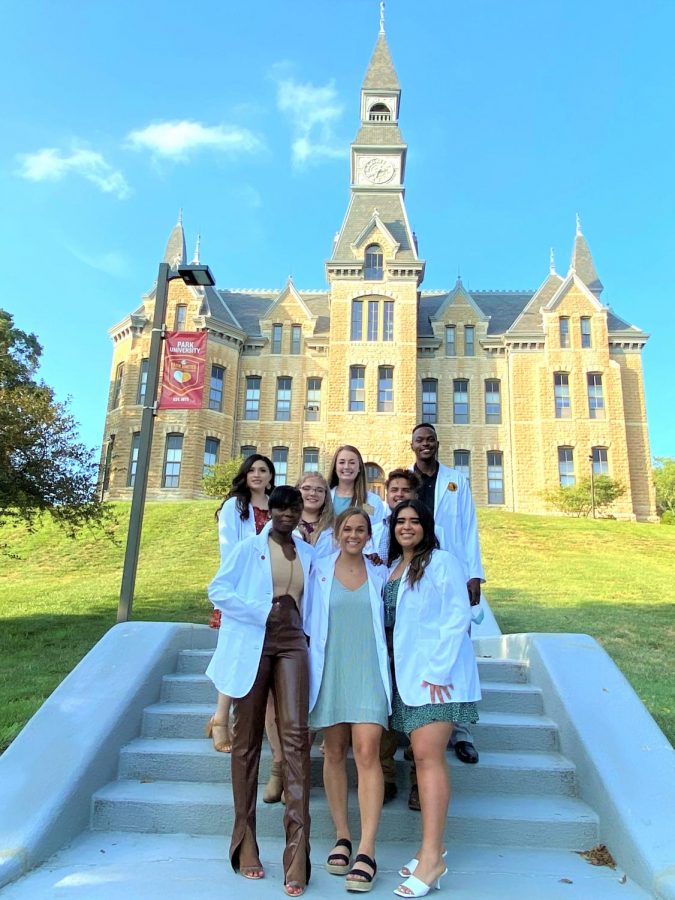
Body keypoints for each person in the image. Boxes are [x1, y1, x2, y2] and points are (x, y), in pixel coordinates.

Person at [206, 486, 315, 897]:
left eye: (294, 508)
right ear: (270, 510)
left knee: (294, 738)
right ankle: (244, 839)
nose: (287, 514)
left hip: (292, 642)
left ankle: (297, 852)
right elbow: (218, 589)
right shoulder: (249, 548)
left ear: (301, 511)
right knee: (248, 739)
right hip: (255, 639)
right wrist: (258, 611)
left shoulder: (307, 552)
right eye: (281, 508)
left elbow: (316, 601)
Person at [385, 499, 480, 898]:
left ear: (427, 526)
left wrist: (438, 670)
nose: (407, 527)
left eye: (414, 521)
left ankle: (432, 859)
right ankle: (433, 848)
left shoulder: (441, 562)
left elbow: (457, 616)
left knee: (426, 758)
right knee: (423, 758)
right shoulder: (392, 568)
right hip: (407, 677)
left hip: (438, 678)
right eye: (400, 521)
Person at [307, 507, 390, 893]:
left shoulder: (381, 574)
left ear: (369, 535)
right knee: (335, 750)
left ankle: (367, 849)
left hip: (369, 672)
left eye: (360, 530)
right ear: (336, 533)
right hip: (331, 670)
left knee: (368, 750)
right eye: (347, 529)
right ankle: (342, 836)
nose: (353, 534)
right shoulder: (318, 569)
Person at [410, 422, 485, 772]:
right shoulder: (406, 483)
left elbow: (468, 528)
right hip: (418, 573)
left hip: (453, 571)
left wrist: (474, 574)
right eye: (418, 440)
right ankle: (422, 720)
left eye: (429, 439)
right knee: (425, 645)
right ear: (412, 446)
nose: (425, 444)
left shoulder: (457, 480)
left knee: (459, 647)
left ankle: (462, 730)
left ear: (437, 443)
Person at [207, 454, 275, 755]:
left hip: (268, 592)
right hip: (239, 591)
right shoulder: (234, 508)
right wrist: (238, 589)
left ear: (271, 476)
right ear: (244, 475)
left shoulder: (276, 507)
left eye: (263, 470)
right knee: (233, 652)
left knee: (255, 656)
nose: (257, 475)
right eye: (252, 470)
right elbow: (229, 552)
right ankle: (221, 718)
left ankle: (248, 719)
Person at [372, 469, 422, 803]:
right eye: (394, 489)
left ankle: (420, 779)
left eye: (406, 490)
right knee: (386, 708)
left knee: (419, 711)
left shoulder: (425, 537)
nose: (399, 494)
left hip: (417, 641)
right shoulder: (376, 531)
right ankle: (386, 773)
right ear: (386, 494)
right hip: (383, 635)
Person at [327, 445, 386, 524]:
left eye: (352, 462)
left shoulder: (372, 502)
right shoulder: (325, 498)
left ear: (359, 468)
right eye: (341, 462)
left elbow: (378, 531)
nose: (346, 466)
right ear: (335, 467)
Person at [296, 471, 336, 557]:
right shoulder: (284, 523)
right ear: (297, 491)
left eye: (319, 490)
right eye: (306, 488)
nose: (313, 493)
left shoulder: (336, 526)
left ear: (326, 495)